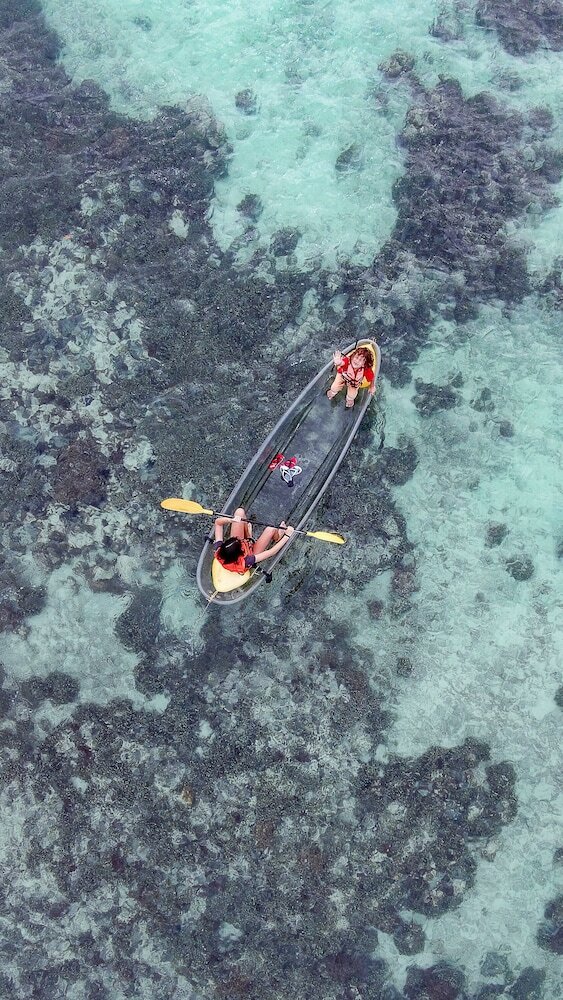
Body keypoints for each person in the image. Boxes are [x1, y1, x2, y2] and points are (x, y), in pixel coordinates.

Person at [213, 508, 295, 575]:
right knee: (271, 529)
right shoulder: (247, 560)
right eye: (239, 541)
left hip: (241, 549)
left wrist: (231, 520)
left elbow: (218, 523)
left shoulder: (219, 549)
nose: (238, 539)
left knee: (239, 512)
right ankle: (277, 537)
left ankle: (249, 535)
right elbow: (272, 552)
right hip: (251, 552)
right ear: (241, 551)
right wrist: (287, 536)